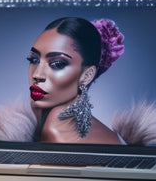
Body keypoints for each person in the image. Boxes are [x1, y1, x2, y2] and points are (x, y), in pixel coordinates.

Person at [26, 16, 125, 144]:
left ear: (87, 75)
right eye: (34, 60)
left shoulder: (55, 131)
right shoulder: (93, 126)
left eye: (57, 64)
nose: (37, 74)